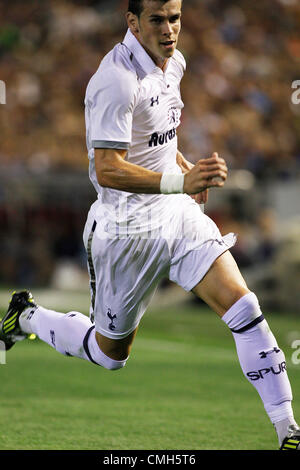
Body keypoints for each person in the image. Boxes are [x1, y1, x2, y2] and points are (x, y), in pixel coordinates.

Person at [0, 0, 299, 450]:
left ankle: (288, 431)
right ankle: (26, 317)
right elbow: (107, 168)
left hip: (175, 215)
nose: (169, 29)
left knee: (244, 307)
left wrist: (185, 170)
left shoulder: (174, 63)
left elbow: (159, 137)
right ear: (133, 22)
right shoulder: (114, 80)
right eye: (157, 19)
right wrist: (181, 179)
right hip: (124, 230)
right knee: (109, 355)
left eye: (175, 17)